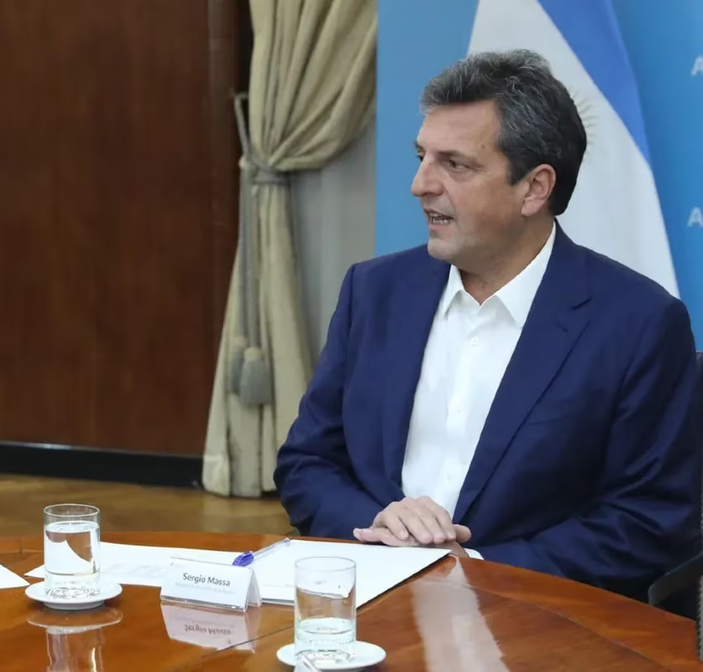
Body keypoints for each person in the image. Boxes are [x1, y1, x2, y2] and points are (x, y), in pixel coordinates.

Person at [274, 49, 699, 600]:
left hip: (533, 618)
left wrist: (472, 569)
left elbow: (648, 521)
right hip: (368, 601)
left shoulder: (638, 323)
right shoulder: (374, 292)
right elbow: (307, 462)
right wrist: (378, 528)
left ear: (534, 188)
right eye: (422, 157)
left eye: (455, 165)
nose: (420, 184)